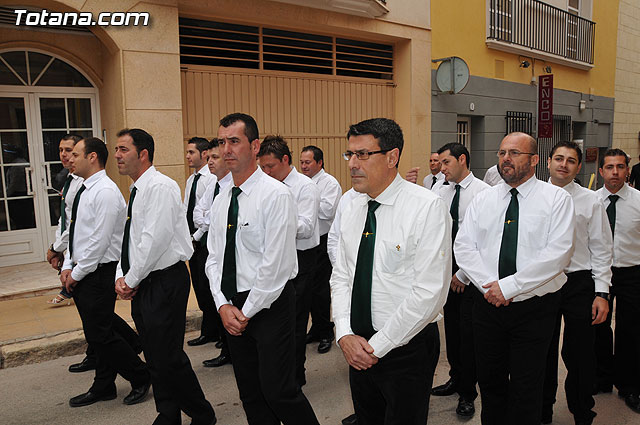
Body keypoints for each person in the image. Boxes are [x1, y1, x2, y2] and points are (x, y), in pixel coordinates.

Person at [331, 118, 451, 424]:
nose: (353, 164)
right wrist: (344, 333)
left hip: (405, 348)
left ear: (392, 157)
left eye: (363, 154)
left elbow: (429, 294)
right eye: (350, 155)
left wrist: (377, 346)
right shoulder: (350, 205)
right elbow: (342, 275)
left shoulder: (426, 207)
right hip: (356, 346)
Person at [454, 132, 575, 425]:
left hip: (534, 308)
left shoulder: (557, 199)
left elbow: (557, 255)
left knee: (526, 386)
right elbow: (464, 246)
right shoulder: (484, 199)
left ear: (534, 160)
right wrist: (490, 287)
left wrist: (508, 287)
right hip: (487, 305)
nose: (505, 159)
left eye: (514, 153)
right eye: (502, 153)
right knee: (491, 382)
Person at [205, 113, 319, 425]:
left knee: (280, 390)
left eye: (234, 141)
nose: (227, 149)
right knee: (250, 394)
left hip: (269, 305)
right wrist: (223, 304)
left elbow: (276, 266)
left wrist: (246, 311)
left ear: (255, 146)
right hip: (232, 308)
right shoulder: (221, 199)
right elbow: (213, 258)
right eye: (222, 142)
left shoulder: (276, 195)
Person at [114, 128, 216, 425]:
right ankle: (168, 411)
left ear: (142, 154)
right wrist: (123, 275)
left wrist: (131, 279)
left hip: (164, 279)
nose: (117, 156)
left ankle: (202, 413)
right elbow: (130, 239)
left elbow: (153, 240)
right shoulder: (138, 188)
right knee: (155, 355)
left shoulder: (160, 187)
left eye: (123, 149)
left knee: (168, 355)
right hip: (145, 278)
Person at [60, 137, 151, 408]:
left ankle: (140, 374)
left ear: (92, 158)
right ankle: (104, 385)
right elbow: (75, 233)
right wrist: (67, 265)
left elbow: (98, 243)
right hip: (83, 268)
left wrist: (76, 274)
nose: (70, 159)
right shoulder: (84, 189)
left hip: (98, 271)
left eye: (75, 154)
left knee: (100, 334)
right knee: (98, 331)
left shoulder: (106, 192)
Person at [542, 141, 612, 425]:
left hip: (579, 282)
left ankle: (582, 410)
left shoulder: (590, 200)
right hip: (541, 281)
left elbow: (602, 248)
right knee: (541, 349)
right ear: (547, 162)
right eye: (558, 158)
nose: (563, 164)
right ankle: (542, 409)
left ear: (579, 167)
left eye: (571, 160)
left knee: (580, 352)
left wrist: (602, 292)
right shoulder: (534, 196)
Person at [430, 142, 489, 418]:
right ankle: (456, 378)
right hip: (444, 270)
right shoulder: (438, 190)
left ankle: (468, 393)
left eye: (446, 163)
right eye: (440, 163)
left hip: (470, 274)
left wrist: (464, 273)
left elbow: (484, 241)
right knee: (451, 330)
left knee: (468, 335)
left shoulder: (483, 193)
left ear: (462, 159)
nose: (441, 168)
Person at [257, 135, 321, 387]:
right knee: (274, 321)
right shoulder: (266, 186)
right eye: (262, 167)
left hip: (301, 259)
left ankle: (295, 375)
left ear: (285, 160)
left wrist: (278, 220)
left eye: (270, 166)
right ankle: (277, 372)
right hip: (272, 256)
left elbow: (305, 227)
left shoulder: (305, 187)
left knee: (294, 322)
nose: (266, 172)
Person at [594, 148, 640, 414]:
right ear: (601, 171)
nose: (614, 172)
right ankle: (602, 378)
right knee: (598, 327)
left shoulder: (638, 201)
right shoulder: (592, 201)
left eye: (620, 167)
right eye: (609, 167)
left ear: (627, 170)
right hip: (601, 272)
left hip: (632, 272)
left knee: (630, 330)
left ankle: (629, 385)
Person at [194, 138, 233, 368]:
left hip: (225, 249)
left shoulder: (231, 186)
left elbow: (220, 218)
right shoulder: (212, 185)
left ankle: (229, 349)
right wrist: (211, 218)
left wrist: (211, 219)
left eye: (215, 158)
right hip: (209, 246)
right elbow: (199, 215)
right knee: (211, 294)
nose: (210, 162)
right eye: (208, 158)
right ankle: (223, 342)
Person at [300, 145, 342, 354]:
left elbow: (327, 211)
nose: (304, 166)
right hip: (306, 242)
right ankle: (316, 328)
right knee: (308, 289)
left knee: (321, 290)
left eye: (308, 162)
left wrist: (308, 201)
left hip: (323, 240)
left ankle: (326, 331)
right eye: (302, 162)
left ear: (319, 162)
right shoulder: (301, 183)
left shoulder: (329, 183)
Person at [184, 137, 218, 348]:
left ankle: (213, 330)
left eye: (191, 152)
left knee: (208, 287)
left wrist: (196, 236)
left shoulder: (210, 179)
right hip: (191, 239)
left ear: (203, 153)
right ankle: (210, 329)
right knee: (198, 286)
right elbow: (194, 211)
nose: (188, 156)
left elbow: (210, 216)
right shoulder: (191, 180)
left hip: (203, 240)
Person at [47, 134, 82, 307]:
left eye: (69, 150)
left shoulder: (83, 183)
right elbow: (65, 218)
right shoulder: (69, 179)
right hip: (71, 248)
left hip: (86, 254)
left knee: (97, 316)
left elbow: (77, 224)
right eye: (61, 150)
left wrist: (56, 248)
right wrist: (58, 246)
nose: (63, 154)